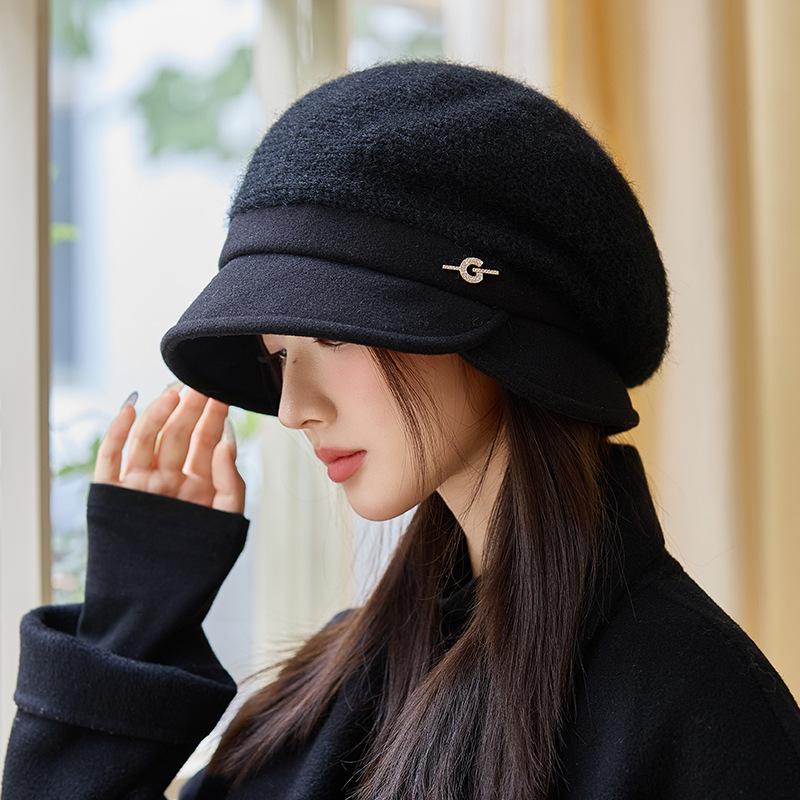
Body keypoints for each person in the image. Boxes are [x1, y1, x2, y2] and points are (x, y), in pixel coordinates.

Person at [3, 59, 800, 800]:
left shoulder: (698, 706)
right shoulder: (339, 687)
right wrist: (132, 626)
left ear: (500, 332)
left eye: (334, 334)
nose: (293, 407)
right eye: (278, 358)